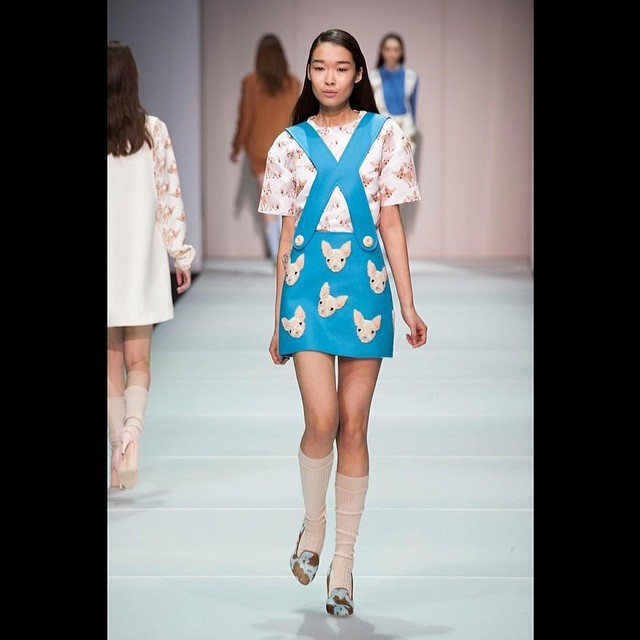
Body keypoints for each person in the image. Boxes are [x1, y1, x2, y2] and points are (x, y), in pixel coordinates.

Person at [260, 28, 428, 617]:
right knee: (322, 419)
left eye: (340, 67)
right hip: (305, 294)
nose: (328, 77)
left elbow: (391, 225)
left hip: (367, 289)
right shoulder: (288, 144)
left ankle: (343, 563)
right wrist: (278, 319)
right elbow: (286, 238)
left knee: (354, 427)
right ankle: (313, 526)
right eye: (318, 67)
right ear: (308, 74)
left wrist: (408, 304)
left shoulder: (386, 134)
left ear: (359, 74)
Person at [107, 41, 196, 491]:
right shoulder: (153, 131)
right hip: (140, 258)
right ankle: (132, 434)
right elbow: (169, 197)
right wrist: (180, 254)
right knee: (139, 359)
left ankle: (116, 446)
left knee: (110, 359)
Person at [230, 34, 301, 262]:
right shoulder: (293, 83)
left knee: (271, 204)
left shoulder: (251, 83)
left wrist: (236, 146)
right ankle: (285, 254)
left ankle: (277, 255)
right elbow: (297, 119)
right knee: (287, 203)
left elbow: (246, 118)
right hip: (287, 149)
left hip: (260, 150)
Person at [369, 33, 419, 153]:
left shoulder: (411, 77)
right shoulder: (373, 77)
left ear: (401, 52)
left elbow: (413, 106)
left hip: (406, 127)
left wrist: (412, 129)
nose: (391, 54)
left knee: (405, 161)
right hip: (382, 126)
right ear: (382, 51)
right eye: (388, 49)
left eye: (395, 50)